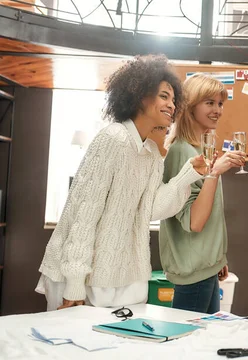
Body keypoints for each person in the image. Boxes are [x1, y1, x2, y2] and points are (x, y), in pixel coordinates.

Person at [36, 54, 206, 311]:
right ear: (139, 95)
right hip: (82, 276)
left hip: (123, 275)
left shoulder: (150, 153)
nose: (172, 105)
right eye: (163, 96)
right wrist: (74, 283)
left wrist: (188, 174)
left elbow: (151, 209)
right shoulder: (113, 139)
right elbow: (84, 216)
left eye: (173, 99)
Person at [160, 74, 245, 313]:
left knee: (203, 342)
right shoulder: (181, 151)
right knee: (188, 344)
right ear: (190, 105)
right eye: (210, 102)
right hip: (192, 271)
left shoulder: (200, 149)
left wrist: (217, 258)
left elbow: (209, 215)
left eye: (220, 103)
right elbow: (194, 222)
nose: (218, 110)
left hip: (204, 267)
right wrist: (214, 173)